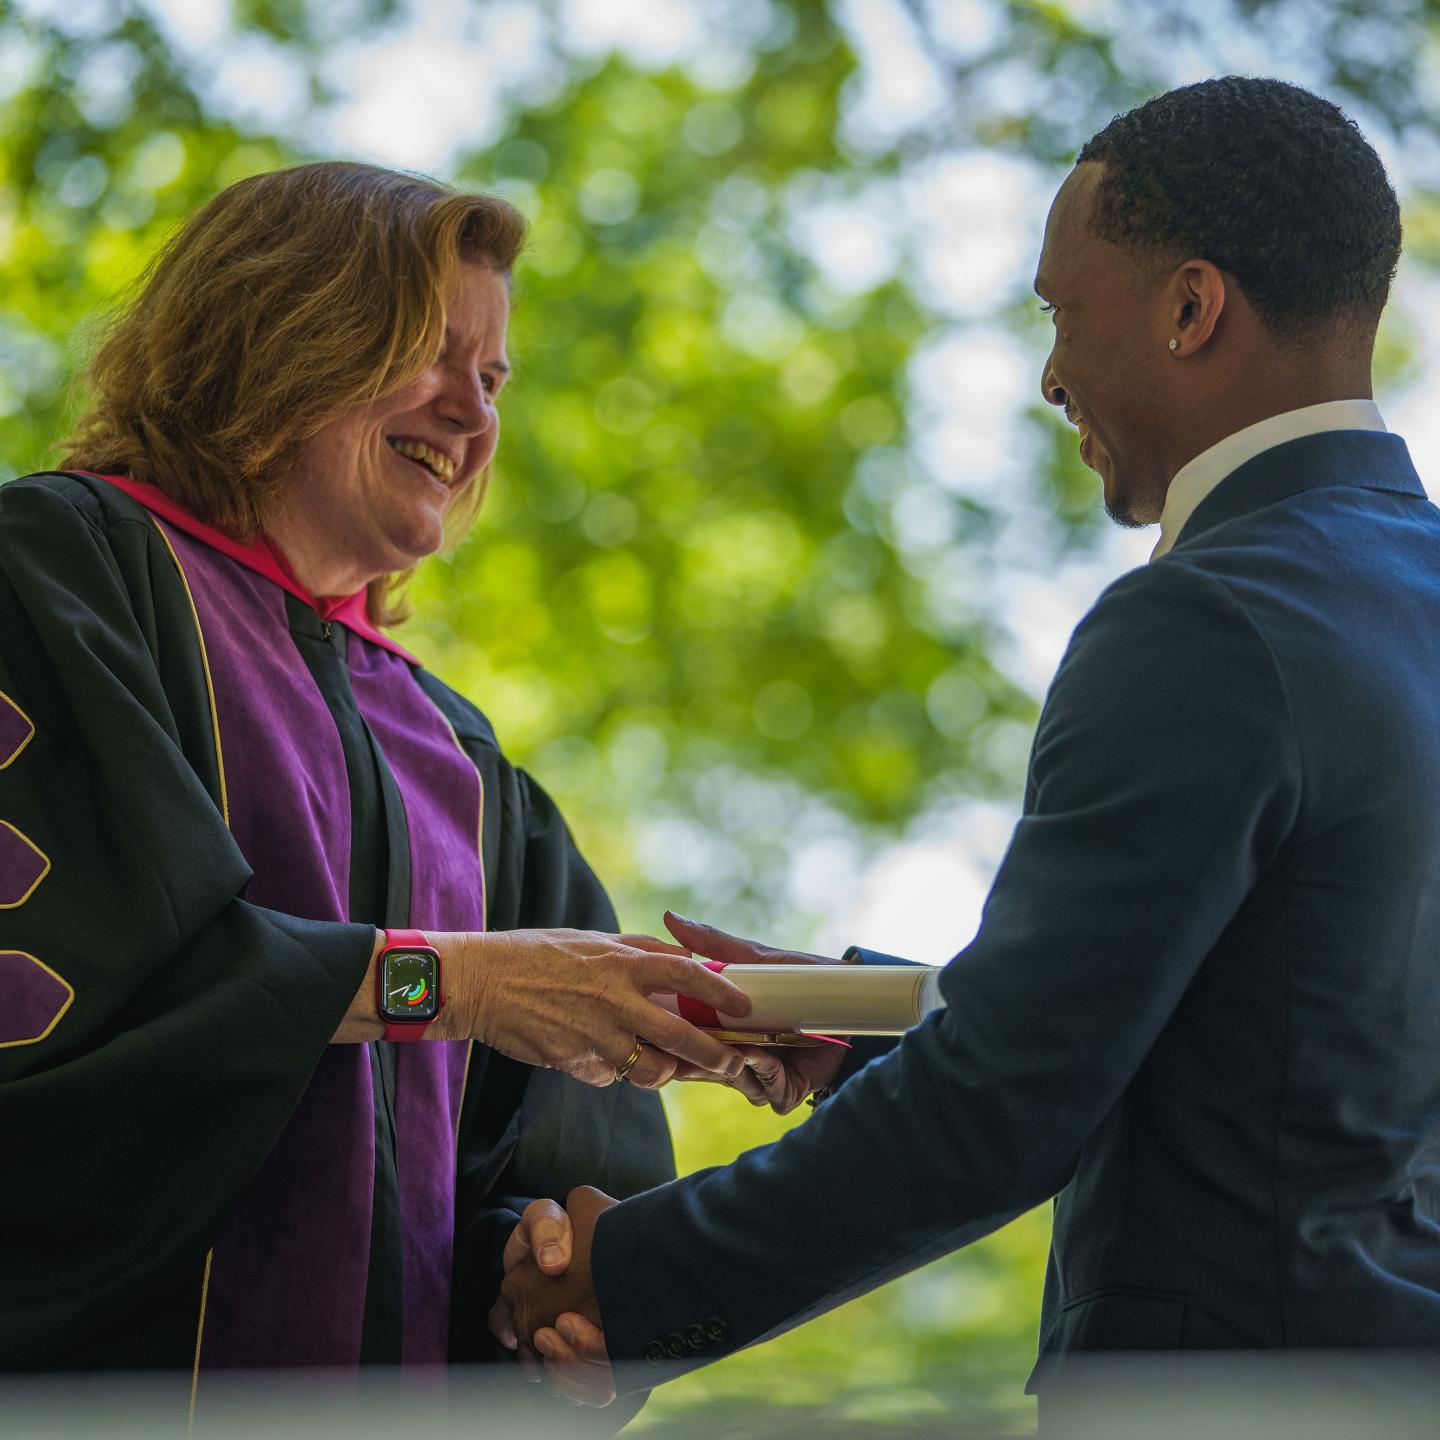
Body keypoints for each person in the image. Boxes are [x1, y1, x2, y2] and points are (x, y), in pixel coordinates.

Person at [497, 75, 1440, 1408]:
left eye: (1063, 314)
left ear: (1189, 308)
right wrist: (867, 1015)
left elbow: (1009, 1100)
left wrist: (634, 1281)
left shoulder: (1210, 618)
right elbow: (1288, 1037)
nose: (1051, 373)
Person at [0, 161, 755, 1396]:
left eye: (495, 378)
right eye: (431, 352)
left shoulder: (460, 759)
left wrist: (550, 1272)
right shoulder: (60, 574)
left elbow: (559, 1154)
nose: (471, 412)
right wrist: (443, 984)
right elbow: (80, 1007)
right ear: (278, 331)